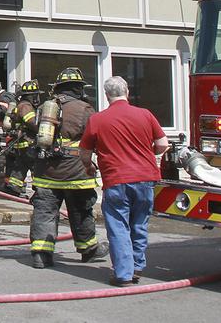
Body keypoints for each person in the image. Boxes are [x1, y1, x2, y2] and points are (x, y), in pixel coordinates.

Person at [79, 75, 168, 286]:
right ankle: (137, 266)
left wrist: (89, 166)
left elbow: (84, 152)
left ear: (106, 95)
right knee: (139, 224)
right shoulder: (145, 114)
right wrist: (149, 153)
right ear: (127, 92)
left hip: (116, 179)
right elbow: (163, 144)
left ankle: (124, 274)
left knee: (118, 227)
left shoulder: (98, 119)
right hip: (145, 178)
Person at [24, 68, 106, 269]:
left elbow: (34, 128)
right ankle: (88, 249)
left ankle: (41, 254)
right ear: (78, 89)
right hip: (76, 172)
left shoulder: (45, 107)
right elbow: (95, 136)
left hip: (46, 170)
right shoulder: (85, 109)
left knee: (44, 211)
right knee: (80, 210)